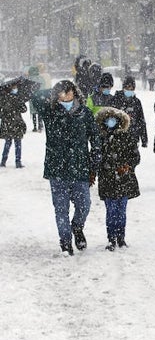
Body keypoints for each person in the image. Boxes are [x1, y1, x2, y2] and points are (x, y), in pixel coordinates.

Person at [40, 80, 101, 255]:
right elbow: (37, 98)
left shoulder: (85, 113)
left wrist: (95, 154)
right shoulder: (50, 112)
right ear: (56, 94)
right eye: (62, 92)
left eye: (69, 91)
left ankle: (77, 227)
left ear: (75, 93)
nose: (66, 95)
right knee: (61, 209)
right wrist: (49, 90)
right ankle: (65, 242)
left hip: (80, 167)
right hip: (56, 169)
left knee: (84, 205)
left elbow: (95, 136)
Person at [95, 107, 141, 250]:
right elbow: (96, 157)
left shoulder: (127, 137)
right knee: (111, 210)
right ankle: (111, 238)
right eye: (108, 119)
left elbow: (135, 156)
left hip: (124, 179)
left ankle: (121, 237)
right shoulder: (100, 138)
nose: (111, 122)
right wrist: (102, 166)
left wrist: (127, 166)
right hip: (107, 180)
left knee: (121, 210)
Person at [113, 75, 148, 148]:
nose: (129, 90)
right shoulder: (116, 100)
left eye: (131, 88)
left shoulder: (136, 102)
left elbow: (141, 120)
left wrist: (144, 139)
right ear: (123, 88)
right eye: (127, 87)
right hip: (118, 136)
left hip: (133, 137)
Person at [0, 80, 28, 168]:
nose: (16, 89)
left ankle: (3, 161)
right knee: (18, 143)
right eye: (15, 87)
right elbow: (24, 109)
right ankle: (18, 161)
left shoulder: (3, 98)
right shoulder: (17, 98)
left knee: (8, 142)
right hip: (17, 123)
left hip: (7, 123)